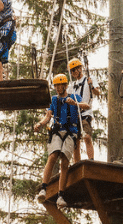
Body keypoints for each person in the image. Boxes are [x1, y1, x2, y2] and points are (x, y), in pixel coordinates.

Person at [32, 73, 88, 209]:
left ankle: (61, 195)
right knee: (53, 156)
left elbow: (86, 106)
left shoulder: (74, 97)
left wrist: (75, 103)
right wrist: (40, 124)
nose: (57, 88)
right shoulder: (54, 100)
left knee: (64, 161)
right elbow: (48, 116)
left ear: (65, 86)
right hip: (57, 130)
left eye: (59, 85)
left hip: (71, 132)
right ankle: (43, 188)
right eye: (56, 86)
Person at [68, 58, 99, 162]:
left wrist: (92, 86)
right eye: (71, 71)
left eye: (74, 70)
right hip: (75, 114)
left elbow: (97, 93)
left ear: (80, 68)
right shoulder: (72, 85)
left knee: (87, 136)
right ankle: (76, 163)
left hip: (86, 111)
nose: (73, 73)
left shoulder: (89, 79)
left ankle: (91, 159)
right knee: (75, 141)